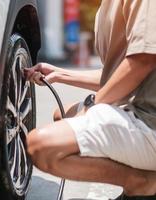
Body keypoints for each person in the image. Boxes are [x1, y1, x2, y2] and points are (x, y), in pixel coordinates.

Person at [25, 1, 156, 199]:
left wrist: (91, 107)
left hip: (151, 121)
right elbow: (116, 74)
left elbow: (143, 61)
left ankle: (141, 182)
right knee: (62, 115)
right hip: (142, 109)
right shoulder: (106, 6)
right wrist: (60, 74)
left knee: (41, 146)